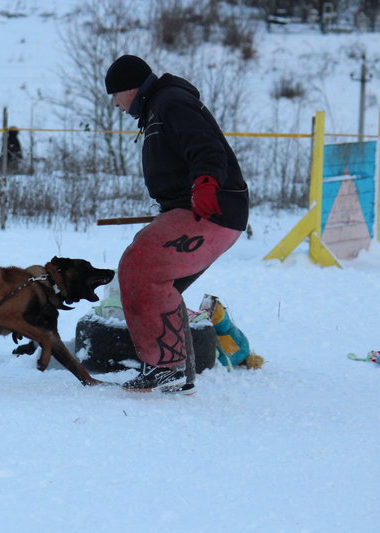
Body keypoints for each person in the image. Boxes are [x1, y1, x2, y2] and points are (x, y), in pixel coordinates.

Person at [104, 54, 249, 394]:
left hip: (212, 208)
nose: (115, 105)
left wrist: (206, 182)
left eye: (115, 96)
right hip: (192, 209)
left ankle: (167, 366)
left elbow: (205, 144)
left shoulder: (171, 102)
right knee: (153, 277)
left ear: (130, 88)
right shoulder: (158, 107)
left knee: (141, 265)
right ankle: (175, 367)